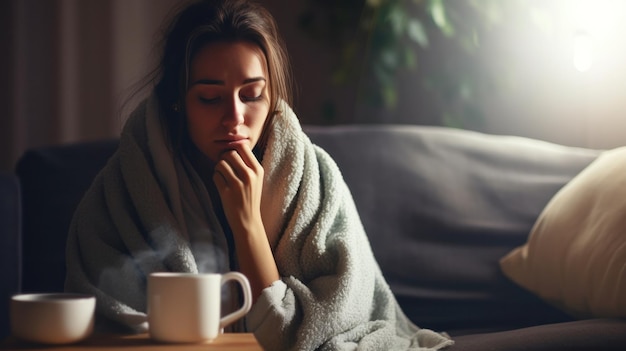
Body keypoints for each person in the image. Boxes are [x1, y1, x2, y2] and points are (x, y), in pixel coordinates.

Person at [64, 0, 454, 350]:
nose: (234, 118)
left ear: (271, 98)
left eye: (251, 95)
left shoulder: (315, 178)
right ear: (176, 102)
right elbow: (103, 316)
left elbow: (305, 333)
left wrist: (247, 222)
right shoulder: (128, 184)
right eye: (209, 97)